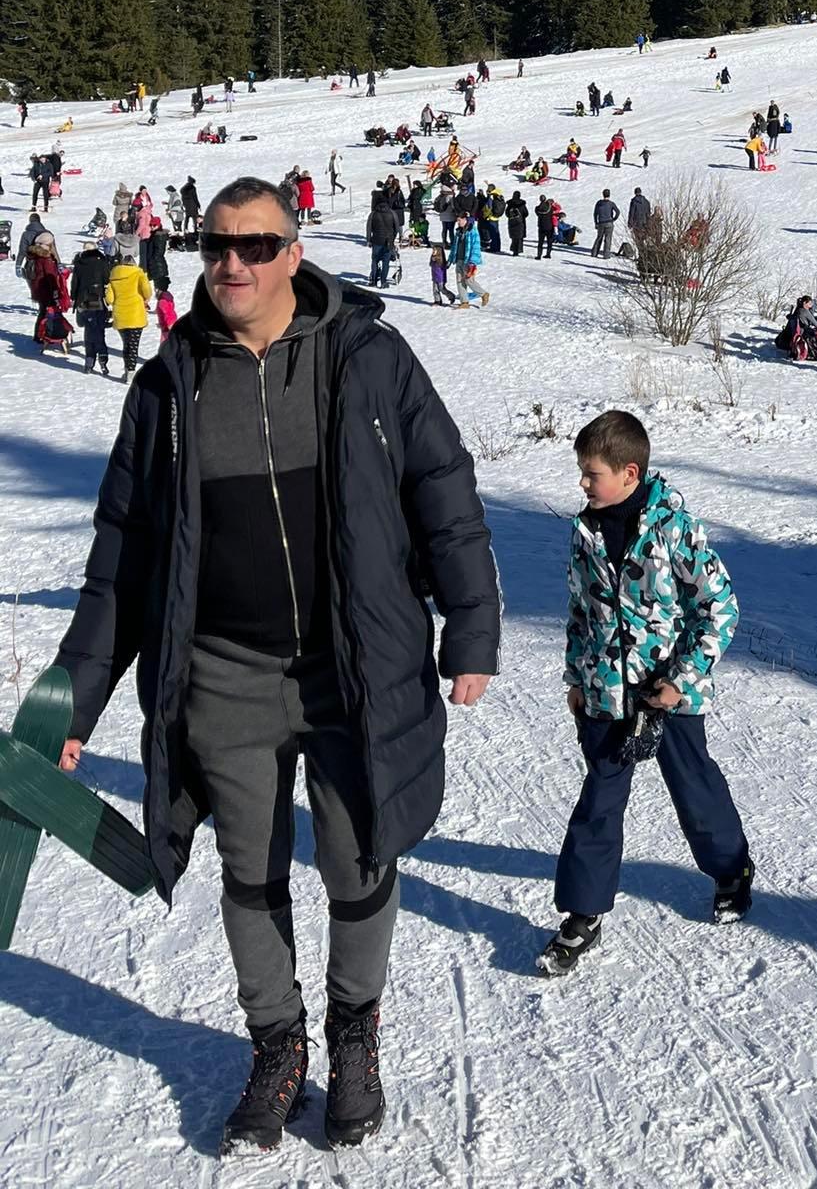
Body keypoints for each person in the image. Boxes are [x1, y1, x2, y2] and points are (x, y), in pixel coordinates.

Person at [54, 175, 498, 1152]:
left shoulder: (365, 355)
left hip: (351, 660)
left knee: (358, 854)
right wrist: (75, 697)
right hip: (226, 670)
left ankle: (354, 1032)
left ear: (294, 253)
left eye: (256, 244)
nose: (233, 262)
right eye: (216, 245)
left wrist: (470, 619)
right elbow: (122, 551)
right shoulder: (171, 382)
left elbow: (441, 480)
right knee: (247, 871)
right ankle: (277, 1044)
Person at [539, 410, 751, 977]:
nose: (583, 484)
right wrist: (577, 680)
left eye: (591, 474)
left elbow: (721, 607)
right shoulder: (585, 531)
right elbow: (581, 614)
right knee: (599, 802)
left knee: (695, 788)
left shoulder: (674, 527)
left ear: (629, 473)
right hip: (608, 695)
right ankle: (583, 915)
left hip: (668, 694)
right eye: (582, 473)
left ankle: (731, 871)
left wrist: (680, 680)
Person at [105, 250, 153, 378]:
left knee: (126, 344)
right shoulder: (138, 274)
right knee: (133, 345)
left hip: (120, 316)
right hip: (135, 314)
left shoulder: (113, 277)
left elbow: (109, 299)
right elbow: (147, 291)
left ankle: (127, 370)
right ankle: (130, 373)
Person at [72, 237, 115, 377]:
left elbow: (75, 284)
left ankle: (89, 361)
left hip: (83, 300)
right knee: (99, 330)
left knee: (89, 331)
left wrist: (74, 298)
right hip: (98, 298)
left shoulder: (79, 263)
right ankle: (103, 358)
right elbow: (107, 279)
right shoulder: (101, 261)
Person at [452, 215, 490, 308]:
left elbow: (475, 247)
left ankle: (483, 294)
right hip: (459, 259)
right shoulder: (458, 231)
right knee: (460, 281)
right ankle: (464, 302)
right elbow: (454, 246)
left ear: (465, 220)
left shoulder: (472, 230)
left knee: (469, 280)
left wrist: (473, 261)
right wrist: (450, 259)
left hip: (468, 261)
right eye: (457, 220)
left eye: (459, 220)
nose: (458, 222)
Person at [365, 192, 399, 288]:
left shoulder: (373, 213)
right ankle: (383, 281)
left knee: (375, 261)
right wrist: (393, 237)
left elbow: (368, 228)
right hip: (388, 241)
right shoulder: (392, 213)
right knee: (386, 262)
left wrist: (368, 239)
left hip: (376, 240)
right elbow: (397, 227)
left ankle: (374, 281)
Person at [592, 190, 619, 257]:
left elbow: (595, 214)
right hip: (609, 223)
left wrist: (596, 222)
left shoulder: (599, 203)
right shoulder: (611, 203)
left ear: (603, 194)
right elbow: (617, 212)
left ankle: (594, 253)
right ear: (609, 195)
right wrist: (613, 219)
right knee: (608, 239)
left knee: (599, 238)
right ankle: (606, 254)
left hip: (601, 223)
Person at [428, 240, 455, 305]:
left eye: (435, 250)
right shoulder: (433, 259)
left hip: (441, 279)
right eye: (433, 251)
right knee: (435, 290)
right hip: (434, 277)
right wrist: (433, 259)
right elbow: (430, 264)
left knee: (442, 289)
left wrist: (436, 259)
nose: (433, 252)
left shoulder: (441, 261)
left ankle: (451, 296)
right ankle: (437, 301)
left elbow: (441, 264)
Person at [535, 194, 557, 260]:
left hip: (541, 226)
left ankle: (539, 255)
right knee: (549, 241)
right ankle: (548, 254)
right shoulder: (550, 208)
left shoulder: (537, 208)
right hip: (549, 226)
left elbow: (537, 213)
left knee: (540, 242)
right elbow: (557, 208)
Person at [508, 189, 529, 256]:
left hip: (512, 222)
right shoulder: (522, 204)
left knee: (514, 237)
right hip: (520, 223)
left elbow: (506, 213)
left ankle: (514, 250)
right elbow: (526, 213)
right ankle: (518, 250)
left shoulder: (510, 204)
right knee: (519, 237)